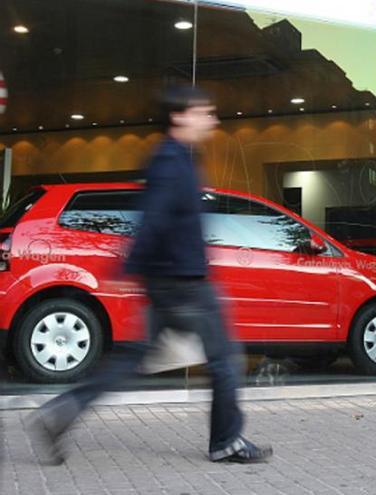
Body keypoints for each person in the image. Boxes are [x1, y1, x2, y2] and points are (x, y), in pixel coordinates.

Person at [26, 86, 272, 464]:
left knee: (135, 356)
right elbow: (153, 218)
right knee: (224, 359)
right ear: (179, 116)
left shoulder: (179, 158)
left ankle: (64, 410)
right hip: (183, 283)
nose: (212, 119)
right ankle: (226, 441)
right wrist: (128, 266)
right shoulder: (171, 162)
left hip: (168, 280)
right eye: (204, 111)